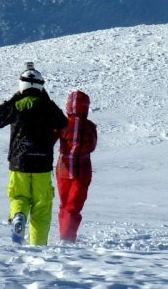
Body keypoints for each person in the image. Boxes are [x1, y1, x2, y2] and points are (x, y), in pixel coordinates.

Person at [0, 62, 67, 245]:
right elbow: (63, 123)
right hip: (42, 164)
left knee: (19, 197)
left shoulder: (16, 106)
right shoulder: (47, 107)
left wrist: (14, 98)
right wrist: (47, 99)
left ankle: (18, 216)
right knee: (42, 205)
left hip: (18, 163)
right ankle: (38, 246)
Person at [57, 90, 98, 244]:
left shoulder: (62, 123)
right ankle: (67, 238)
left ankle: (64, 234)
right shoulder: (90, 127)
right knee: (74, 206)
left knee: (65, 204)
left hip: (63, 169)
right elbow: (93, 146)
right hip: (82, 171)